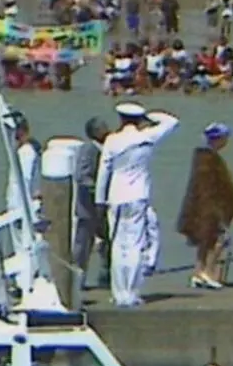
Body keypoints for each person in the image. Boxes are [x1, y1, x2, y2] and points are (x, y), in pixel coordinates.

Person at [94, 102, 179, 308]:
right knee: (134, 245)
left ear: (121, 119)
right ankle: (131, 293)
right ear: (138, 119)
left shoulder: (112, 140)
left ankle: (118, 293)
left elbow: (104, 172)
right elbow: (172, 122)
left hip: (116, 197)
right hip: (138, 196)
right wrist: (149, 116)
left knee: (117, 245)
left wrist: (99, 200)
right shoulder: (147, 137)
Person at [177, 123, 233, 289]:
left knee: (205, 240)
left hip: (203, 207)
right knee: (220, 239)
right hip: (211, 207)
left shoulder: (202, 157)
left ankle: (198, 272)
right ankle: (209, 272)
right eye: (225, 138)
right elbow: (212, 187)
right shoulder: (210, 159)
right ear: (218, 139)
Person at [73, 117, 111, 289]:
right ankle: (77, 279)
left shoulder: (107, 149)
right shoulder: (89, 149)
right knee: (83, 244)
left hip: (103, 205)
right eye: (103, 128)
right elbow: (82, 176)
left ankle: (106, 275)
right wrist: (98, 189)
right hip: (88, 206)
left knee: (107, 240)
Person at [5, 112, 42, 254]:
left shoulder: (26, 152)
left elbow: (23, 183)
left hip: (21, 208)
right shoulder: (23, 150)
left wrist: (22, 211)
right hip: (18, 207)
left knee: (23, 247)